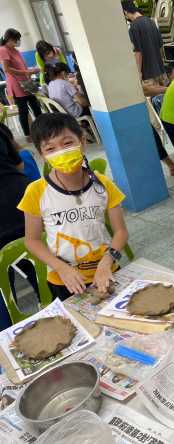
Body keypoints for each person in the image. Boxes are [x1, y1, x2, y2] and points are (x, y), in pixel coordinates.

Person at [18, 113, 129, 301]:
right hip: (64, 279)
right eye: (50, 148)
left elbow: (121, 232)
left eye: (67, 143)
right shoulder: (36, 191)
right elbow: (32, 241)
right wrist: (61, 268)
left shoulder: (102, 184)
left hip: (105, 270)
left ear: (83, 142)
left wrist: (107, 262)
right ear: (42, 155)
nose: (60, 152)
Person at [0, 123, 38, 329]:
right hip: (21, 205)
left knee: (3, 288)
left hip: (17, 213)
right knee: (35, 267)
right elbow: (20, 163)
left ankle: (8, 335)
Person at [0, 29, 43, 140]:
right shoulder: (3, 50)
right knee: (23, 111)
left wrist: (30, 71)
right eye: (16, 39)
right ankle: (28, 135)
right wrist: (27, 72)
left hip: (26, 82)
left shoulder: (15, 50)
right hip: (16, 84)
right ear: (9, 39)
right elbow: (7, 69)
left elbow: (21, 66)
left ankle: (42, 129)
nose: (18, 41)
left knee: (36, 107)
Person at [121, 0, 166, 86]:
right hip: (160, 71)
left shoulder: (134, 27)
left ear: (125, 11)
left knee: (152, 97)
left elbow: (138, 52)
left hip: (148, 75)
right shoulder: (151, 22)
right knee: (162, 96)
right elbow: (160, 45)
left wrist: (138, 73)